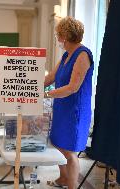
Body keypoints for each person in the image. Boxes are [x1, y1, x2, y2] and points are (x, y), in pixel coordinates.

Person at [44, 17, 94, 189]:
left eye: (58, 35)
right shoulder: (67, 55)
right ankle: (63, 178)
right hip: (62, 107)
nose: (57, 38)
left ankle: (72, 185)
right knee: (59, 144)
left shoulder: (82, 54)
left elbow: (73, 87)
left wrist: (46, 94)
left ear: (64, 36)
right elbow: (51, 77)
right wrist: (28, 86)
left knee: (71, 152)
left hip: (75, 111)